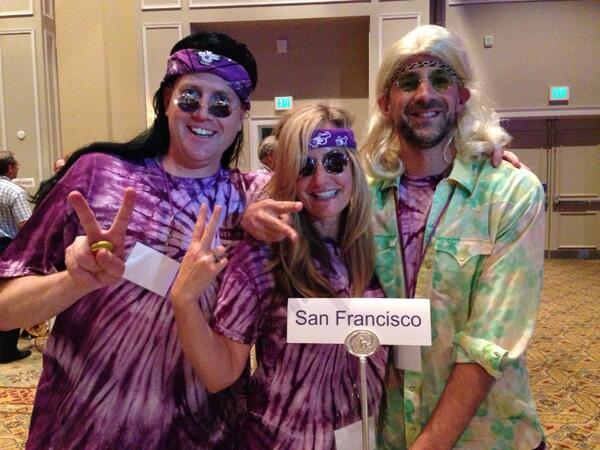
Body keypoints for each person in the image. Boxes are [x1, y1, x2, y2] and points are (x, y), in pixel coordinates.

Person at [0, 31, 262, 449]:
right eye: (190, 97)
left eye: (221, 103)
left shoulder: (252, 200)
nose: (203, 113)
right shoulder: (98, 176)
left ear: (241, 114)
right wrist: (76, 281)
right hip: (82, 430)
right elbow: (4, 310)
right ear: (166, 100)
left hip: (203, 435)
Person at [362, 25, 546, 449]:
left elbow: (491, 339)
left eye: (441, 80)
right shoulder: (360, 199)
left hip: (486, 435)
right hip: (389, 433)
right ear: (386, 104)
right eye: (408, 82)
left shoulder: (508, 192)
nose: (425, 94)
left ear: (461, 97)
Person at [170, 104, 388, 449]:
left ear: (352, 168)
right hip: (278, 441)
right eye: (304, 167)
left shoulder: (383, 246)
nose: (321, 180)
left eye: (334, 162)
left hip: (362, 439)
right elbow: (220, 374)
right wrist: (184, 301)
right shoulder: (262, 255)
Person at [0, 151, 32, 364]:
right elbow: (25, 225)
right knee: (12, 296)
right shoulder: (14, 191)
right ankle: (7, 350)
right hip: (7, 249)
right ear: (10, 168)